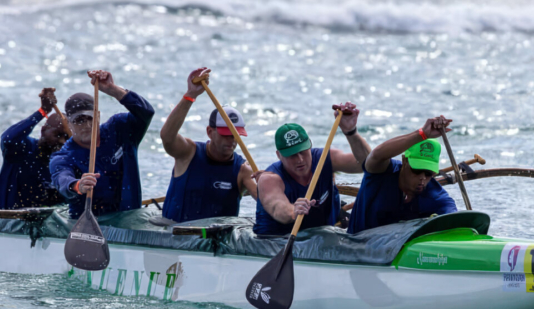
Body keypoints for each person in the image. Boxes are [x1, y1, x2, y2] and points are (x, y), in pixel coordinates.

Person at [50, 70, 155, 218]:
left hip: (129, 217)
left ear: (98, 116)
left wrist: (113, 90)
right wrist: (79, 185)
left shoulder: (119, 128)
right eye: (79, 120)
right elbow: (62, 180)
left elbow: (146, 112)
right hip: (89, 223)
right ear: (68, 123)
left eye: (89, 118)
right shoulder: (63, 157)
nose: (86, 125)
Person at [254, 104, 371, 235]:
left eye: (303, 151)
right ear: (279, 155)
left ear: (310, 146)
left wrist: (351, 132)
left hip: (322, 236)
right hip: (274, 242)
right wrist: (294, 211)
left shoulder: (325, 158)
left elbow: (367, 164)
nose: (300, 160)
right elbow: (278, 208)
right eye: (292, 155)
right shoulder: (270, 179)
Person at [161, 67, 259, 223]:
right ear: (209, 132)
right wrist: (190, 95)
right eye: (225, 135)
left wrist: (268, 186)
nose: (232, 141)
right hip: (173, 234)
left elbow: (265, 201)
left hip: (216, 241)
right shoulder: (188, 153)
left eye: (235, 136)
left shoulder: (243, 170)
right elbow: (167, 137)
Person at [346, 116, 458, 234]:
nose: (422, 178)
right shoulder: (381, 173)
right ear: (404, 161)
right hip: (356, 245)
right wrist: (422, 134)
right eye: (417, 170)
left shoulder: (435, 195)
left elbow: (454, 216)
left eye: (429, 173)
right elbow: (376, 156)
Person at [0, 88, 70, 209]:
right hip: (8, 216)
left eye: (67, 137)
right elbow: (8, 139)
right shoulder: (23, 148)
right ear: (43, 131)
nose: (62, 142)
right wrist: (42, 111)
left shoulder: (67, 160)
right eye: (58, 135)